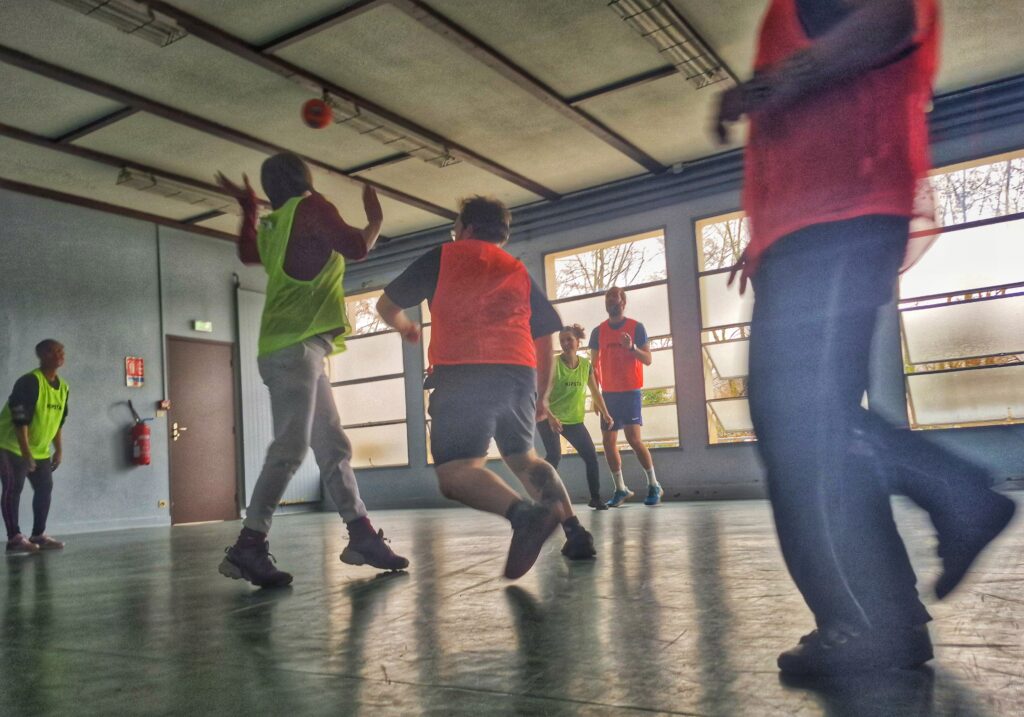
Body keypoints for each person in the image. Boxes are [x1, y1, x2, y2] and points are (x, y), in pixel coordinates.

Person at [714, 0, 1015, 676]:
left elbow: (889, 20)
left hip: (840, 217)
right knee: (809, 430)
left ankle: (939, 523)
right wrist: (765, 233)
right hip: (808, 230)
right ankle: (886, 622)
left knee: (803, 425)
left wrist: (760, 87)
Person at [376, 196, 596, 580]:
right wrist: (541, 391)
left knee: (456, 474)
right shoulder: (517, 269)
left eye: (456, 226)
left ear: (467, 228)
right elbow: (546, 328)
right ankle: (575, 533)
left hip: (464, 373)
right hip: (517, 374)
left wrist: (406, 327)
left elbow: (385, 305)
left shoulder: (445, 255)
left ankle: (524, 516)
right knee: (525, 459)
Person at [214, 153, 408, 588]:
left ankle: (361, 535)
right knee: (290, 449)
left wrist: (249, 207)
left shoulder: (273, 221)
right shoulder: (312, 208)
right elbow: (358, 247)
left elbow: (248, 253)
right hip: (296, 348)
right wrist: (375, 218)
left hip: (298, 348)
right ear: (307, 179)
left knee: (331, 444)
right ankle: (248, 545)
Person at [589, 287, 662, 507]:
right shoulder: (597, 331)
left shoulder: (636, 327)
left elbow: (648, 359)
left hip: (630, 392)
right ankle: (620, 489)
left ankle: (654, 485)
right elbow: (592, 367)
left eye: (616, 299)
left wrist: (631, 348)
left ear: (623, 302)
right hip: (608, 394)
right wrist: (594, 395)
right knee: (608, 442)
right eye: (608, 299)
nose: (612, 303)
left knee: (633, 439)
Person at [0, 339, 69, 553]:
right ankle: (14, 538)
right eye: (54, 351)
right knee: (14, 488)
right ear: (43, 355)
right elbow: (20, 420)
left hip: (39, 450)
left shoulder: (63, 387)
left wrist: (59, 449)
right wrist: (26, 453)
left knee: (44, 488)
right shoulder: (29, 382)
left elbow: (58, 421)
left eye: (61, 351)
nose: (60, 355)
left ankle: (38, 534)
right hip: (10, 445)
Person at [536, 325, 612, 510]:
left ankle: (595, 498)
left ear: (578, 342)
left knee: (591, 456)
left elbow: (595, 392)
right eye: (562, 340)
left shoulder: (585, 365)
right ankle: (540, 494)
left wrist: (606, 413)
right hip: (549, 416)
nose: (565, 343)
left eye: (569, 339)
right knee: (554, 455)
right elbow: (541, 395)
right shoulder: (554, 364)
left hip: (573, 420)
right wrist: (551, 418)